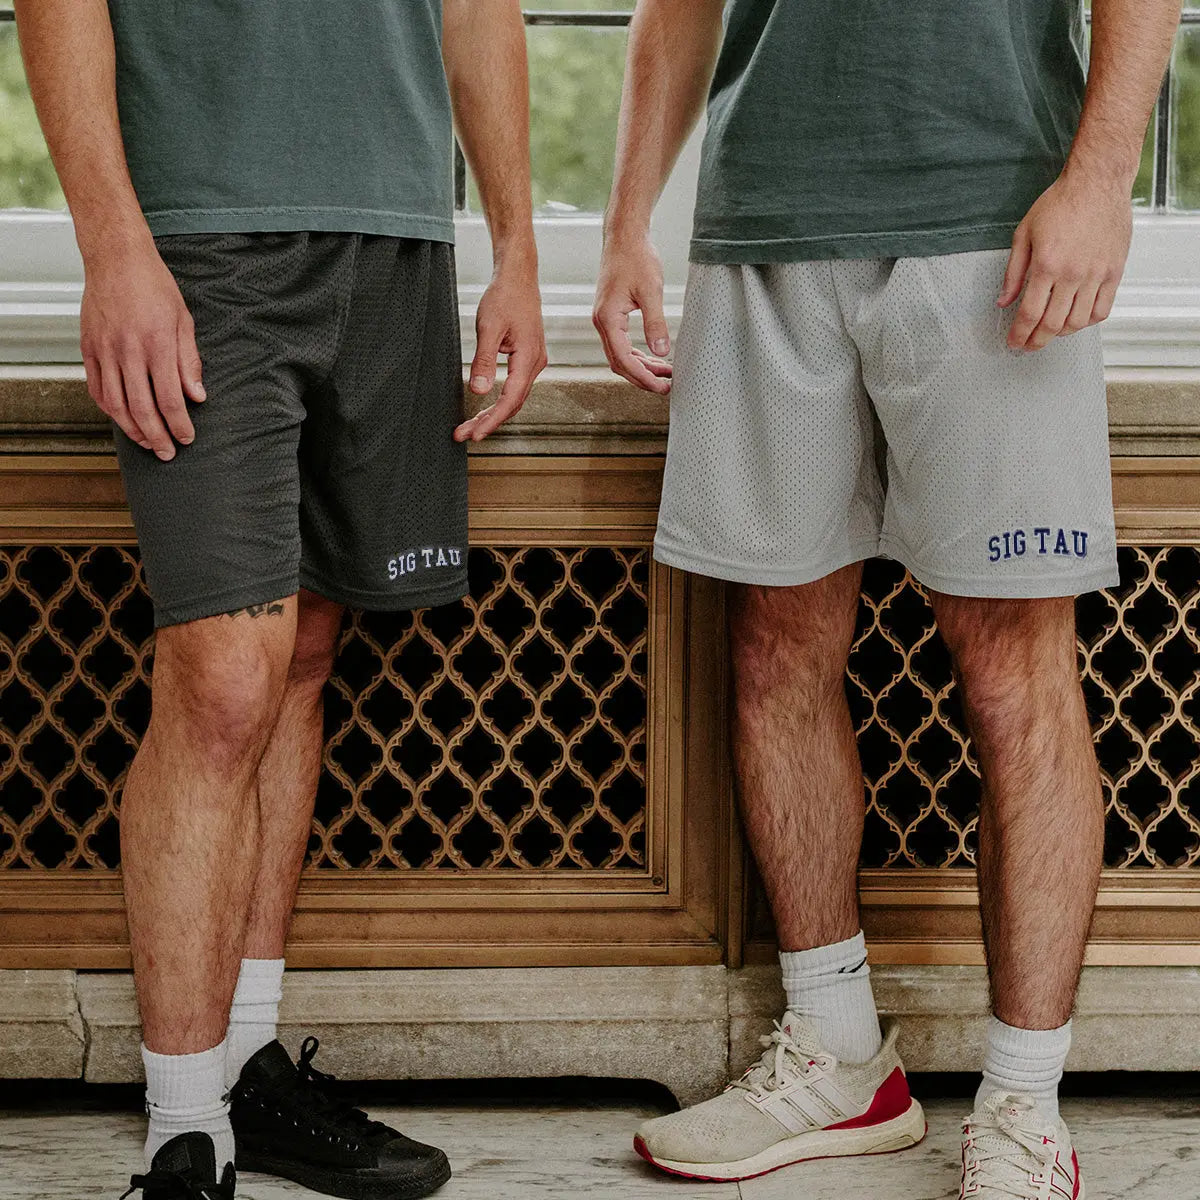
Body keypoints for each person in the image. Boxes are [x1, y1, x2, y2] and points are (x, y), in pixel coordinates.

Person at [594, 0, 1180, 1195]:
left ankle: (1023, 1103)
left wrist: (1101, 178)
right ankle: (837, 1055)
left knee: (1015, 671)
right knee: (775, 649)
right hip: (763, 220)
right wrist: (624, 227)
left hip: (995, 220)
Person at [15, 1, 546, 1196]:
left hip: (397, 236)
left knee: (304, 655)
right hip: (198, 238)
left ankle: (246, 1070)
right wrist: (113, 246)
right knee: (222, 681)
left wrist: (514, 248)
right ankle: (183, 1132)